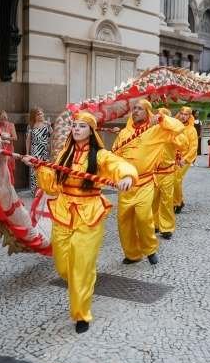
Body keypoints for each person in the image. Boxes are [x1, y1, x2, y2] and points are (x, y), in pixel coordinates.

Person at [22, 111, 136, 334]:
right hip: (64, 210)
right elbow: (52, 183)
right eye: (74, 125)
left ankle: (81, 314)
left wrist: (126, 176)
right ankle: (82, 279)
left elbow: (118, 165)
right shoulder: (65, 154)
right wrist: (38, 165)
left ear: (91, 131)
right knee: (63, 266)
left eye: (82, 126)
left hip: (89, 213)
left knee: (81, 266)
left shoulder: (100, 156)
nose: (76, 129)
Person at [112, 99, 185, 265]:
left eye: (140, 109)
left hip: (145, 183)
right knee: (124, 221)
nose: (135, 111)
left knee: (144, 217)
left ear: (147, 112)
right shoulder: (124, 133)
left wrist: (161, 118)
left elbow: (179, 127)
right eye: (134, 108)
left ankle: (150, 249)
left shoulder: (156, 130)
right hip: (126, 185)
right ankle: (132, 254)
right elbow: (115, 156)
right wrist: (116, 174)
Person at [151, 108, 189, 239]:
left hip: (167, 171)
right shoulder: (151, 132)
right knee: (153, 200)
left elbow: (184, 144)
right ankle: (154, 224)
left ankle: (166, 227)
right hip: (152, 172)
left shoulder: (174, 134)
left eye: (162, 117)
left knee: (166, 200)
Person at [173, 107, 199, 214]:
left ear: (189, 116)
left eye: (186, 114)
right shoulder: (174, 126)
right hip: (173, 158)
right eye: (182, 113)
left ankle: (177, 203)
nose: (183, 116)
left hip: (185, 159)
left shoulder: (192, 130)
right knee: (172, 180)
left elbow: (194, 147)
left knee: (176, 179)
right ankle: (179, 200)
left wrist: (185, 159)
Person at [26, 107, 52, 193]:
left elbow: (52, 136)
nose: (41, 115)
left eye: (41, 113)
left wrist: (49, 126)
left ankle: (44, 189)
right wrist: (27, 153)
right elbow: (28, 140)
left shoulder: (46, 124)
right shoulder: (31, 126)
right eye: (38, 114)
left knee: (45, 170)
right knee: (35, 171)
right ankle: (35, 191)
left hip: (45, 151)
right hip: (35, 151)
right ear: (34, 116)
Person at [0, 110, 17, 185]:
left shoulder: (11, 125)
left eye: (5, 117)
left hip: (9, 149)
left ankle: (10, 187)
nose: (4, 120)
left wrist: (6, 138)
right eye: (2, 118)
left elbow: (15, 138)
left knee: (9, 170)